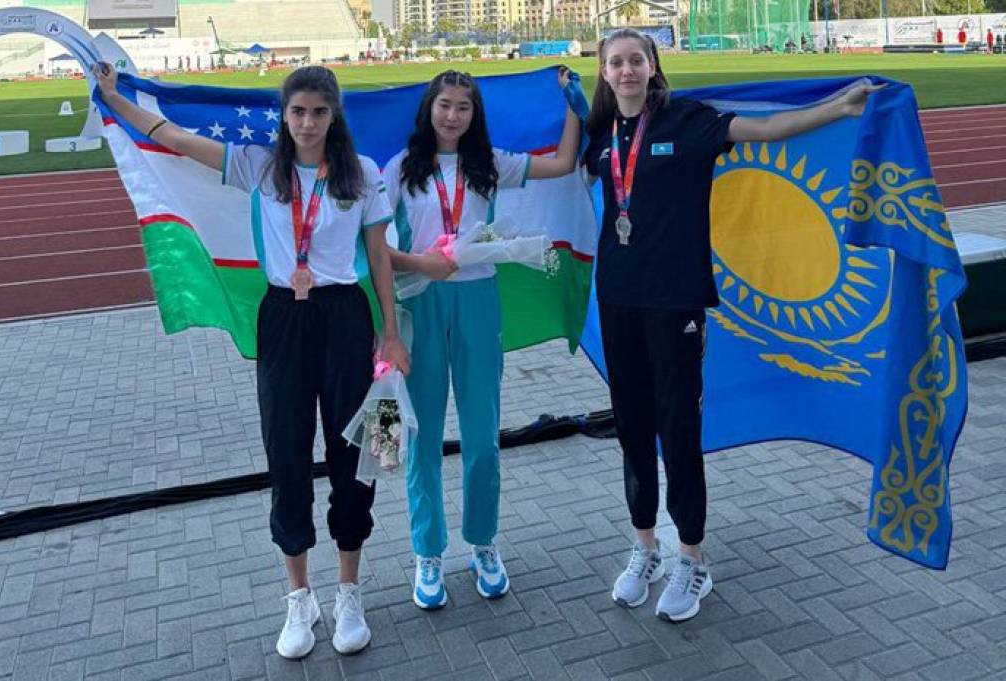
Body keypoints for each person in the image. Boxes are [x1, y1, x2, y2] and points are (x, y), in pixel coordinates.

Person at [92, 63, 409, 658]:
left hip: (346, 317)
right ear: (283, 116)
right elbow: (174, 138)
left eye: (319, 112)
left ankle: (349, 591)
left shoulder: (361, 173)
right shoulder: (260, 167)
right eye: (298, 112)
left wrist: (391, 334)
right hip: (284, 317)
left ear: (334, 116)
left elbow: (379, 257)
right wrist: (115, 98)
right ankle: (299, 597)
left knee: (355, 455)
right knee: (286, 453)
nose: (308, 123)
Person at [581, 28, 882, 623]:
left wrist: (838, 108)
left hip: (675, 302)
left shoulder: (687, 120)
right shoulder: (599, 133)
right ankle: (645, 548)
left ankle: (692, 558)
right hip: (617, 298)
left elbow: (767, 129)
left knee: (677, 428)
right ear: (604, 72)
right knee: (632, 427)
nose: (626, 70)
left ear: (652, 65)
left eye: (636, 60)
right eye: (615, 62)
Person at [382, 69, 581, 610]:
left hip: (477, 301)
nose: (452, 116)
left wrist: (573, 105)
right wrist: (419, 263)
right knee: (419, 436)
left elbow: (563, 163)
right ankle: (428, 552)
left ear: (475, 115)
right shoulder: (400, 168)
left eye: (463, 107)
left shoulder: (490, 163)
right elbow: (372, 245)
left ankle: (483, 544)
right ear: (429, 108)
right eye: (444, 105)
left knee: (481, 435)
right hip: (420, 300)